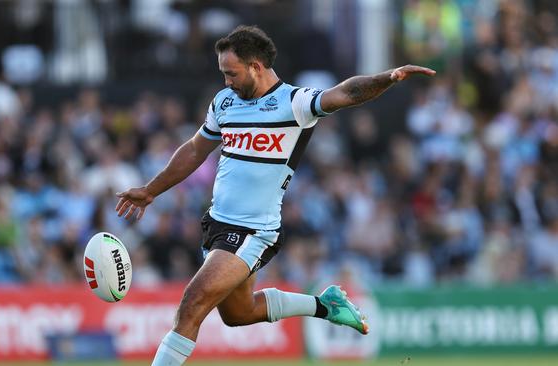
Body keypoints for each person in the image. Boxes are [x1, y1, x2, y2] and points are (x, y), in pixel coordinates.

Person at [115, 25, 435, 365]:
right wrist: (151, 191)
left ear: (255, 66)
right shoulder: (225, 102)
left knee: (192, 302)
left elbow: (346, 93)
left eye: (231, 73)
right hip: (217, 224)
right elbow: (195, 150)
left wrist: (387, 78)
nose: (227, 82)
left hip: (253, 230)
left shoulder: (293, 103)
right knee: (239, 313)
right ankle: (325, 305)